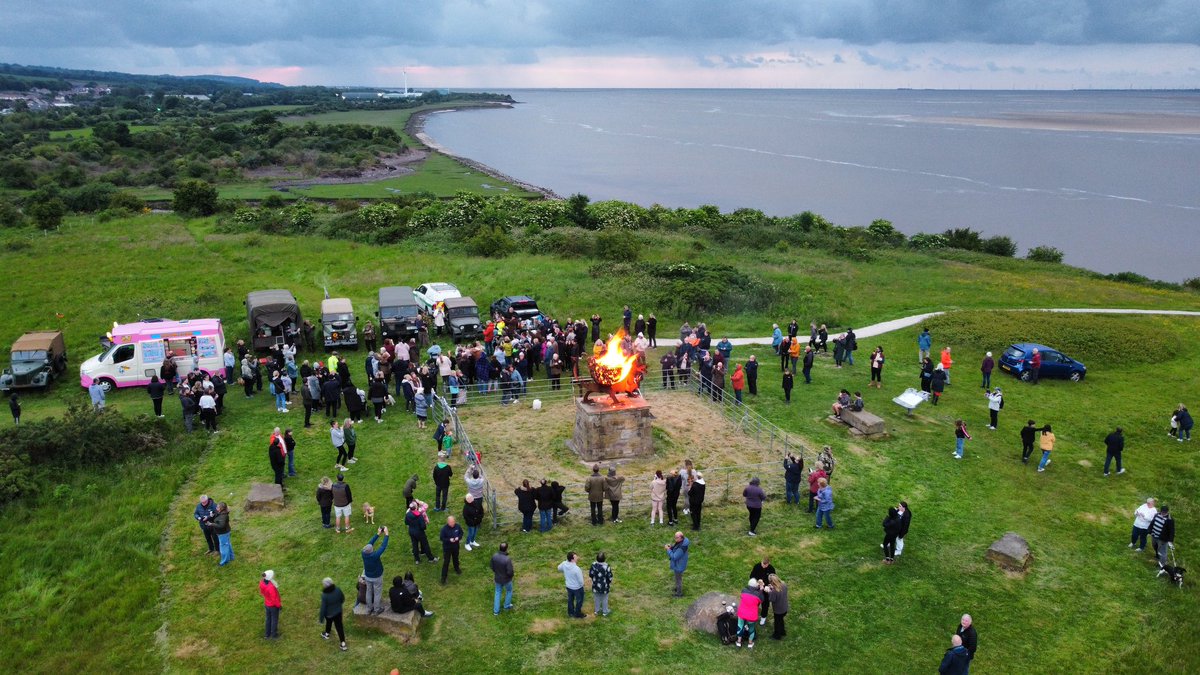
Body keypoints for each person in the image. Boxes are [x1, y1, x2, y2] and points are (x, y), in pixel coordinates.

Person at [361, 527, 390, 615]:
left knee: (369, 591)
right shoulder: (374, 555)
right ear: (371, 551)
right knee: (377, 593)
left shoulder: (363, 553)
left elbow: (369, 544)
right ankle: (377, 609)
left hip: (367, 576)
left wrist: (378, 534)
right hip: (377, 576)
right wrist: (386, 535)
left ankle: (369, 609)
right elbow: (383, 546)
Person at [318, 577, 348, 652]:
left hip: (329, 614)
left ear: (325, 585)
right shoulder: (338, 590)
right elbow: (342, 599)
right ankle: (343, 644)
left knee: (329, 622)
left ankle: (327, 634)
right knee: (339, 627)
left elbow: (323, 608)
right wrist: (338, 606)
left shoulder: (324, 595)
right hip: (338, 612)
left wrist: (321, 619)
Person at [735, 577, 762, 649]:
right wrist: (760, 589)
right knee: (751, 628)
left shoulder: (743, 590)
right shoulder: (758, 594)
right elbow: (760, 601)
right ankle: (750, 643)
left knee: (740, 626)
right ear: (756, 585)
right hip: (751, 616)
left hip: (742, 613)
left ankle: (738, 642)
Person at [558, 551, 587, 618]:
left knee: (570, 600)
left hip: (569, 586)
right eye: (576, 557)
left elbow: (559, 568)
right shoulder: (576, 569)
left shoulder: (564, 564)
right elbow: (580, 581)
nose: (577, 558)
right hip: (577, 588)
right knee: (579, 601)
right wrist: (582, 585)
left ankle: (570, 613)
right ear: (572, 559)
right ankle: (577, 613)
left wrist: (565, 569)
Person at [750, 556, 775, 624]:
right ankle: (753, 615)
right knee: (755, 603)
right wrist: (758, 581)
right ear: (761, 561)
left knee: (765, 604)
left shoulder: (771, 569)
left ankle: (763, 617)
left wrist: (768, 586)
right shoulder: (757, 566)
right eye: (763, 564)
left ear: (768, 563)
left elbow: (773, 581)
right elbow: (751, 576)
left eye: (765, 565)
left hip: (766, 590)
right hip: (757, 589)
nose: (763, 566)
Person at [491, 542, 515, 615]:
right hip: (506, 580)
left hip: (497, 578)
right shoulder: (507, 559)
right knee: (509, 590)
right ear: (506, 549)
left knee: (497, 593)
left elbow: (492, 567)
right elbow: (510, 572)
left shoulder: (494, 556)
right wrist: (511, 577)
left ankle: (496, 611)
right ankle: (506, 605)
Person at [439, 515, 463, 584]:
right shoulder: (444, 529)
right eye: (451, 522)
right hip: (447, 548)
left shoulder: (457, 526)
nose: (452, 523)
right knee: (446, 562)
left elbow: (461, 533)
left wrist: (458, 537)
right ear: (448, 522)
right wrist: (449, 540)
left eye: (453, 522)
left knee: (456, 558)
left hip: (455, 547)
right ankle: (443, 577)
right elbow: (442, 538)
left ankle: (457, 568)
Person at [589, 552, 613, 617]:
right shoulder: (607, 566)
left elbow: (590, 574)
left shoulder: (593, 565)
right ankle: (605, 612)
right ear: (604, 559)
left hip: (595, 585)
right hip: (604, 586)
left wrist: (595, 580)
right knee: (604, 598)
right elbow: (609, 577)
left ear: (596, 558)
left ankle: (597, 611)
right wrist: (608, 582)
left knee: (596, 598)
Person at [666, 531, 690, 597]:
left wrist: (668, 550)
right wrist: (671, 547)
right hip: (679, 564)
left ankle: (679, 593)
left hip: (679, 566)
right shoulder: (682, 542)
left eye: (676, 537)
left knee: (678, 579)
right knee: (677, 578)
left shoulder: (681, 548)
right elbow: (676, 547)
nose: (675, 539)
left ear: (681, 538)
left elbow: (674, 557)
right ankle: (677, 588)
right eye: (675, 537)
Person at [766, 573, 789, 640]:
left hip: (778, 610)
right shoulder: (784, 584)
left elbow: (771, 599)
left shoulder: (774, 591)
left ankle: (777, 636)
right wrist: (772, 587)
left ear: (771, 582)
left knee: (777, 623)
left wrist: (769, 592)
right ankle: (782, 631)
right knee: (781, 620)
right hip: (784, 607)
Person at [259, 570, 281, 639]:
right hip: (273, 606)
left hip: (267, 604)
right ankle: (274, 634)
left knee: (268, 619)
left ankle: (267, 634)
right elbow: (274, 599)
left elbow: (262, 592)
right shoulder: (271, 587)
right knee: (274, 620)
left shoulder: (262, 583)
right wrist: (279, 606)